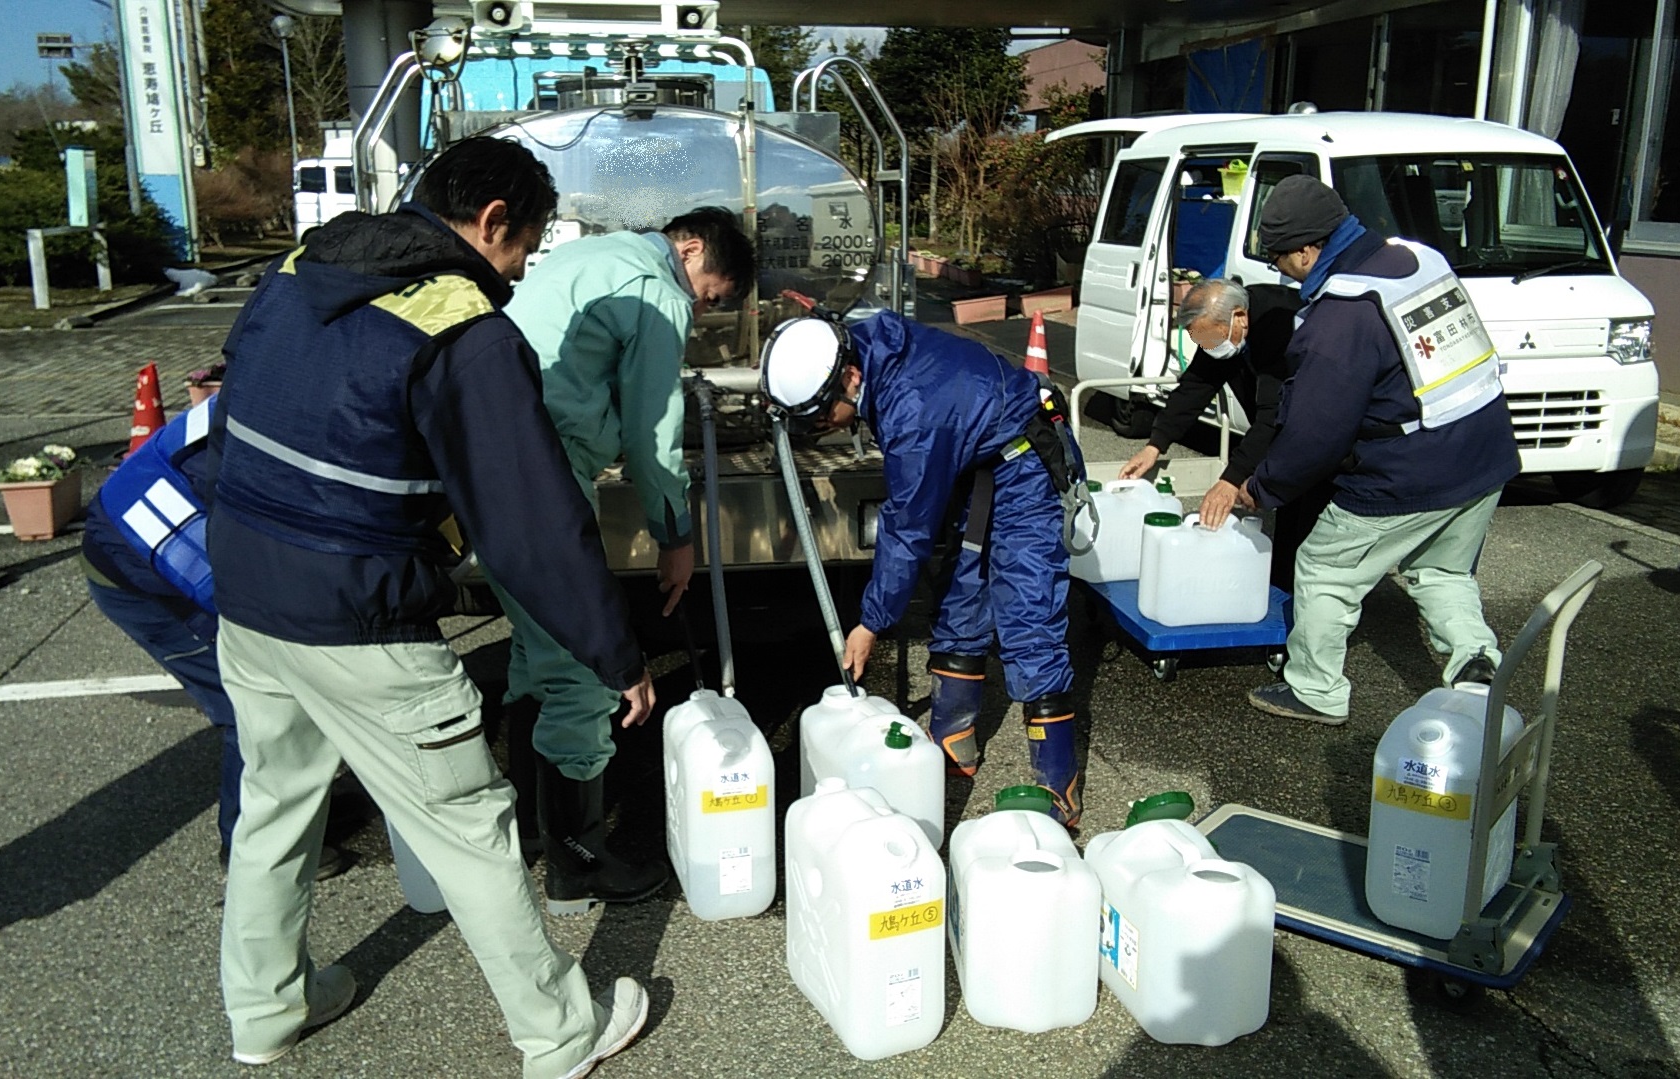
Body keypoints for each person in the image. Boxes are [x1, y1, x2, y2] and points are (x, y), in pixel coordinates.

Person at [205, 135, 651, 1073]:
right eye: (525, 248)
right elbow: (528, 519)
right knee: (468, 825)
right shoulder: (462, 329)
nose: (525, 270)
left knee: (275, 804)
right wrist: (615, 653)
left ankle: (266, 1010)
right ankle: (561, 1032)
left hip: (243, 586)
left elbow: (234, 388)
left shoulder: (302, 263)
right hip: (356, 612)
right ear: (492, 223)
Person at [496, 206, 755, 909]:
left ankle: (529, 826)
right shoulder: (654, 289)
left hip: (496, 460)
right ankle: (577, 859)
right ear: (690, 248)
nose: (704, 310)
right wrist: (676, 535)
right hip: (545, 468)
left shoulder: (590, 255)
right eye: (712, 292)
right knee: (581, 660)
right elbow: (651, 428)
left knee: (535, 651)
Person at [760, 310, 1084, 826]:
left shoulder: (912, 414)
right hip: (976, 455)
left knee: (1028, 618)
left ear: (849, 379)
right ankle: (952, 741)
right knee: (960, 596)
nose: (823, 429)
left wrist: (871, 623)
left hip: (1025, 461)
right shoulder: (860, 345)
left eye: (823, 418)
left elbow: (906, 530)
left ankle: (1058, 785)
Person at [1239, 175, 1517, 724]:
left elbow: (1317, 433)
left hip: (1410, 467)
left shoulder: (1343, 313)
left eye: (1277, 257)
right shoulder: (1416, 258)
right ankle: (1476, 664)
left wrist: (1264, 487)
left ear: (1306, 249)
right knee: (1440, 571)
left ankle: (1315, 690)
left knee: (1323, 566)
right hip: (1485, 451)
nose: (1278, 269)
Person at [81, 395, 352, 881]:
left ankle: (296, 804)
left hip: (156, 534)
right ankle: (249, 845)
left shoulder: (282, 392)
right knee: (251, 698)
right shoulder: (243, 463)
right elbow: (246, 593)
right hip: (143, 574)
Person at [1118, 278, 1321, 590]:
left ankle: (1303, 606)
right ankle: (1283, 594)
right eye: (1203, 345)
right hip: (1286, 434)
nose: (1212, 350)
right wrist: (1155, 445)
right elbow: (1195, 387)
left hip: (1320, 432)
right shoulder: (1219, 330)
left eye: (1213, 341)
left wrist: (1231, 478)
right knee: (1289, 522)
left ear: (1240, 317)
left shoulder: (1281, 324)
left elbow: (1273, 416)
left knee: (1309, 526)